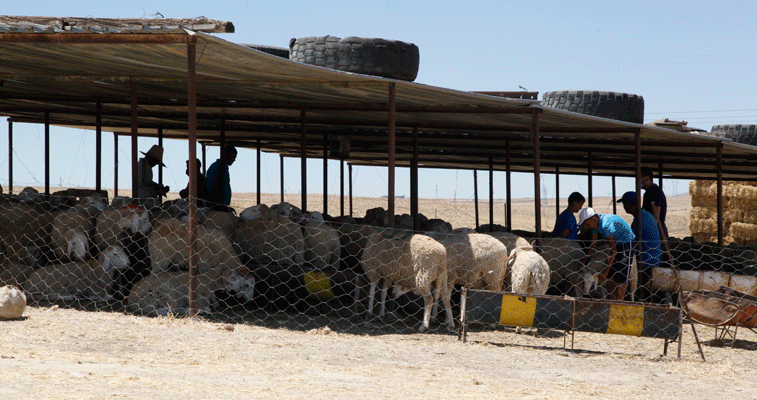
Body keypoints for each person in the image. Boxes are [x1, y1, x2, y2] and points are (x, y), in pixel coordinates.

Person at [578, 207, 636, 301]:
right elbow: (593, 246)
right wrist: (583, 262)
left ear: (593, 219)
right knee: (610, 278)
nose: (587, 227)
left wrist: (606, 271)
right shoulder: (595, 226)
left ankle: (618, 304)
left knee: (620, 277)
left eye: (588, 224)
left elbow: (613, 250)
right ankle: (611, 302)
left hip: (626, 243)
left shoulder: (605, 225)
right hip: (617, 244)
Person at [617, 191, 660, 303]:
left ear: (631, 205)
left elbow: (633, 242)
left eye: (625, 205)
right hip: (653, 257)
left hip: (646, 260)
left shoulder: (639, 220)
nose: (624, 207)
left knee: (622, 271)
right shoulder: (646, 215)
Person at [640, 166, 668, 238]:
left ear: (647, 178)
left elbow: (655, 217)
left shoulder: (654, 192)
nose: (637, 181)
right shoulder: (648, 193)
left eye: (639, 178)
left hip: (655, 235)